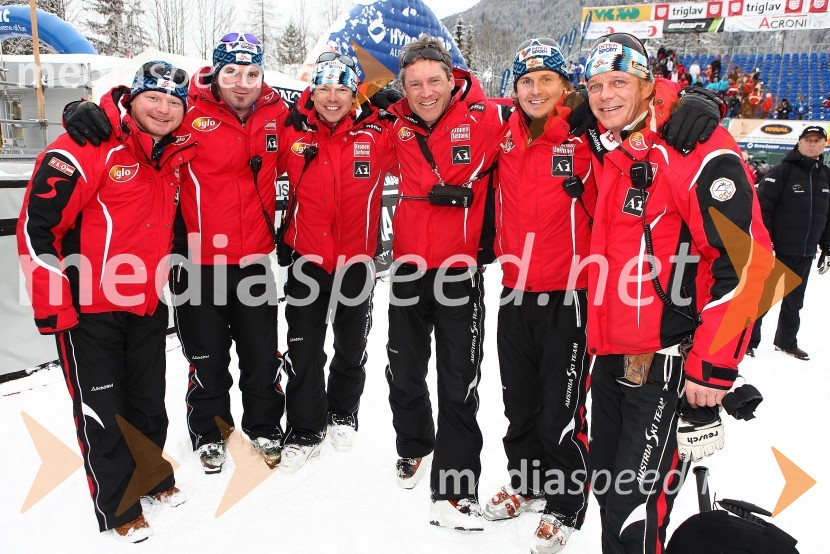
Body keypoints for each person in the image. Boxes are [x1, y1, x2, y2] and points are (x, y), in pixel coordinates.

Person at [62, 32, 290, 473]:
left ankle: (264, 426)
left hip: (253, 260)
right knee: (207, 357)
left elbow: (329, 113)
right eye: (232, 72)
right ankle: (209, 431)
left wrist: (381, 104)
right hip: (196, 260)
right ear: (215, 72)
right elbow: (133, 120)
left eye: (252, 73)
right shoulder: (187, 110)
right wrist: (84, 110)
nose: (242, 83)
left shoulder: (278, 112)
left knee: (262, 355)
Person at [582, 33, 771, 554]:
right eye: (595, 85)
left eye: (619, 82)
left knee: (635, 512)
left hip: (668, 366)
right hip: (614, 357)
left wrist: (712, 367)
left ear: (647, 84)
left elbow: (749, 264)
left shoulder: (695, 145)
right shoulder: (613, 145)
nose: (606, 96)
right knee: (610, 490)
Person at [17, 60, 193, 542]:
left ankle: (153, 477)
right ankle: (119, 507)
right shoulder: (86, 144)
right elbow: (37, 230)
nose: (163, 109)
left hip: (144, 305)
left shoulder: (171, 152)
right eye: (153, 97)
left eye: (174, 102)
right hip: (88, 311)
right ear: (131, 98)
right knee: (102, 411)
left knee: (147, 402)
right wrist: (54, 305)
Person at [382, 34, 511, 530]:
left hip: (460, 273)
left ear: (451, 77)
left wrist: (687, 102)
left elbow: (552, 106)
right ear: (404, 87)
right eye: (414, 83)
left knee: (460, 382)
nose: (426, 90)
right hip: (410, 272)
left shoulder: (487, 119)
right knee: (405, 371)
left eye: (434, 79)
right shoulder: (393, 126)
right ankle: (414, 445)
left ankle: (455, 489)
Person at [483, 38, 593, 553]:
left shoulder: (586, 136)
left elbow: (646, 102)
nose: (535, 89)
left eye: (546, 79)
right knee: (518, 401)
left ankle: (567, 500)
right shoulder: (502, 137)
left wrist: (697, 106)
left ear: (565, 87)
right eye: (526, 81)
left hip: (568, 295)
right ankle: (527, 481)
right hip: (513, 290)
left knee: (561, 410)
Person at [276, 52, 396, 471]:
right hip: (306, 259)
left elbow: (428, 130)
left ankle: (343, 411)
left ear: (355, 92)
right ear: (312, 90)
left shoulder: (378, 135)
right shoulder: (291, 131)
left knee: (352, 346)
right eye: (324, 87)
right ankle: (305, 428)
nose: (332, 97)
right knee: (303, 349)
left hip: (357, 261)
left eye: (342, 88)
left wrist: (394, 107)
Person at [747, 126, 830, 360]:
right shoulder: (782, 171)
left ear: (824, 144)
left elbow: (828, 215)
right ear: (799, 142)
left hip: (805, 252)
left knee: (795, 302)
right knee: (762, 299)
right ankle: (748, 341)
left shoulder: (826, 175)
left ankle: (786, 342)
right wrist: (765, 242)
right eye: (808, 140)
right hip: (778, 250)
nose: (812, 144)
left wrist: (827, 246)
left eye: (817, 140)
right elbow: (763, 209)